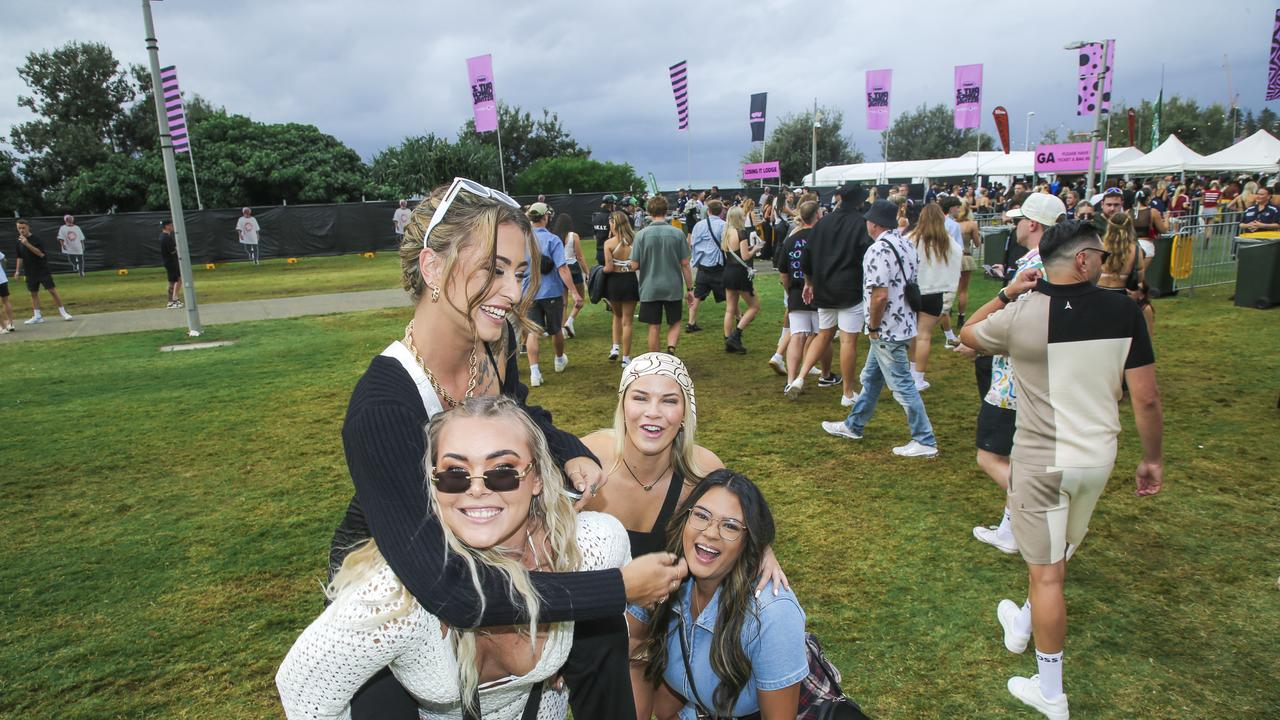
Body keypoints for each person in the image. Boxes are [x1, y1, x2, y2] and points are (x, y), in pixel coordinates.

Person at [326, 178, 685, 719]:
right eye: (493, 270)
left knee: (597, 639)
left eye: (520, 273)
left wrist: (566, 449)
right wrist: (616, 586)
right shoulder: (384, 406)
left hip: (488, 540)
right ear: (432, 269)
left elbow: (518, 415)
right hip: (396, 578)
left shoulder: (494, 347)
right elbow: (448, 590)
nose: (514, 292)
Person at [279, 396, 632, 720]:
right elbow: (305, 695)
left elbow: (622, 600)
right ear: (432, 483)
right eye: (454, 473)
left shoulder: (587, 544)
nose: (477, 488)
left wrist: (568, 644)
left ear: (537, 477)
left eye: (503, 471)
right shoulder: (394, 597)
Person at [960, 219, 1163, 720]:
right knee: (1057, 555)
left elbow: (964, 333)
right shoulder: (1125, 310)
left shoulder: (1023, 314)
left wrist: (1007, 294)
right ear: (1082, 261)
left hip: (1043, 460)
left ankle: (1050, 691)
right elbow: (1147, 398)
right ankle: (1025, 622)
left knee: (1048, 572)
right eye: (1098, 253)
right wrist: (1152, 457)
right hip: (1097, 457)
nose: (1105, 260)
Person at [631, 470, 807, 720]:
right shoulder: (667, 577)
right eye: (702, 516)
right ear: (685, 519)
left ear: (749, 541)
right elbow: (620, 643)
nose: (711, 532)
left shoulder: (772, 613)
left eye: (730, 526)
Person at [963, 192, 1063, 556]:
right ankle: (1011, 528)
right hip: (1045, 378)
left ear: (1033, 224)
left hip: (1012, 381)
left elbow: (1015, 324)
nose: (1015, 224)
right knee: (1021, 457)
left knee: (990, 456)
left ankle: (1040, 509)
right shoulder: (1063, 265)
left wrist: (979, 339)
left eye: (1020, 219)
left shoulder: (1032, 269)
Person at [821, 200, 938, 458]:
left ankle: (925, 439)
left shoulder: (877, 251)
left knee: (903, 386)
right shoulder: (907, 244)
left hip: (887, 329)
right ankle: (854, 425)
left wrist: (873, 326)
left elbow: (879, 295)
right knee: (871, 380)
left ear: (873, 224)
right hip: (904, 324)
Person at [786, 182, 873, 405]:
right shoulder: (861, 224)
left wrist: (809, 282)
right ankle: (847, 392)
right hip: (850, 289)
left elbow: (807, 255)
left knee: (823, 334)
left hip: (823, 288)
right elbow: (866, 257)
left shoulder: (823, 223)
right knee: (847, 341)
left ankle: (800, 378)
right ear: (860, 201)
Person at [524, 202, 581, 388]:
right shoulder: (553, 240)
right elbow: (562, 268)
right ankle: (558, 360)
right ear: (545, 217)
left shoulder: (521, 239)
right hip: (551, 292)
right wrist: (574, 292)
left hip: (529, 292)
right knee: (556, 329)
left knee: (533, 332)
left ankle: (534, 372)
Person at [632, 195, 694, 355]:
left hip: (649, 287)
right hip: (672, 286)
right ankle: (671, 348)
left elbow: (634, 265)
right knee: (675, 321)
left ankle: (656, 359)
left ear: (648, 211)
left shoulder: (641, 235)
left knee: (654, 325)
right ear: (666, 211)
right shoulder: (678, 233)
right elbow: (685, 264)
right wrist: (690, 288)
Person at [909, 204, 961, 392]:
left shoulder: (911, 239)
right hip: (935, 293)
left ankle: (911, 372)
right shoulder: (948, 242)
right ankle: (918, 378)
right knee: (924, 336)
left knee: (913, 334)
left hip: (914, 292)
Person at [778, 202, 821, 390]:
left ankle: (791, 381)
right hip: (819, 292)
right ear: (817, 216)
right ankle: (820, 374)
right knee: (821, 336)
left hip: (796, 292)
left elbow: (783, 273)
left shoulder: (791, 240)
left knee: (796, 335)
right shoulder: (821, 238)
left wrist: (789, 292)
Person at [13, 219, 73, 323]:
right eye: (19, 228)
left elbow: (40, 254)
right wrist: (17, 271)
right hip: (29, 272)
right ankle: (37, 316)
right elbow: (19, 257)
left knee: (52, 291)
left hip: (42, 270)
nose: (21, 230)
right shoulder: (18, 242)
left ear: (28, 227)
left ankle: (63, 313)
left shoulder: (36, 239)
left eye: (23, 228)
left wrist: (27, 244)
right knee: (33, 293)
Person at [720, 207, 761, 354]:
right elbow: (745, 256)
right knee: (754, 306)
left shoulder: (725, 233)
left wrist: (747, 248)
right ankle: (736, 335)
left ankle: (727, 339)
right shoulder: (741, 233)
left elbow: (734, 252)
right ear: (739, 218)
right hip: (740, 273)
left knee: (730, 308)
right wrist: (755, 249)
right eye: (743, 216)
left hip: (728, 271)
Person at [604, 210, 640, 366]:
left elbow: (609, 268)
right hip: (630, 281)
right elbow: (638, 264)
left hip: (614, 282)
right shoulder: (636, 240)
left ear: (613, 224)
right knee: (628, 321)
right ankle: (626, 358)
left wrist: (599, 270)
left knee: (616, 316)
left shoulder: (609, 243)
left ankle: (615, 348)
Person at [686, 199, 725, 334]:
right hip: (717, 266)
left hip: (703, 265)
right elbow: (725, 244)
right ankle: (739, 316)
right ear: (721, 212)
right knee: (729, 294)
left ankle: (691, 322)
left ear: (708, 211)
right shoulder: (724, 225)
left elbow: (693, 243)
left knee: (697, 295)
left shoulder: (699, 225)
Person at [553, 213, 588, 339]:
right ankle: (570, 321)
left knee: (563, 302)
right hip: (573, 269)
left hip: (560, 269)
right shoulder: (573, 236)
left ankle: (563, 329)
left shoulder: (554, 237)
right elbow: (579, 257)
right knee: (580, 298)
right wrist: (587, 271)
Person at [1096, 212, 1139, 293]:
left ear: (1109, 227)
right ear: (1130, 228)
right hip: (1121, 292)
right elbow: (1140, 278)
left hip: (1098, 291)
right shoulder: (1135, 249)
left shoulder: (1098, 246)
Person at [160, 219, 183, 309]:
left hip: (170, 261)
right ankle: (172, 300)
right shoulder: (166, 237)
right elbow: (172, 251)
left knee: (176, 280)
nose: (172, 226)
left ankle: (173, 299)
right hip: (171, 262)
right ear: (166, 226)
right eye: (171, 225)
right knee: (174, 281)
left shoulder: (165, 236)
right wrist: (178, 249)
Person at [593, 194, 619, 267]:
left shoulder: (596, 217)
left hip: (599, 252)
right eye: (614, 204)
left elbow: (595, 236)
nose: (615, 206)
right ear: (610, 205)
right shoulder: (612, 218)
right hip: (611, 252)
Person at [0, 246, 15, 332]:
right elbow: (4, 260)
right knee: (6, 301)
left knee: (5, 301)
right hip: (2, 279)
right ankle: (10, 323)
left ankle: (3, 327)